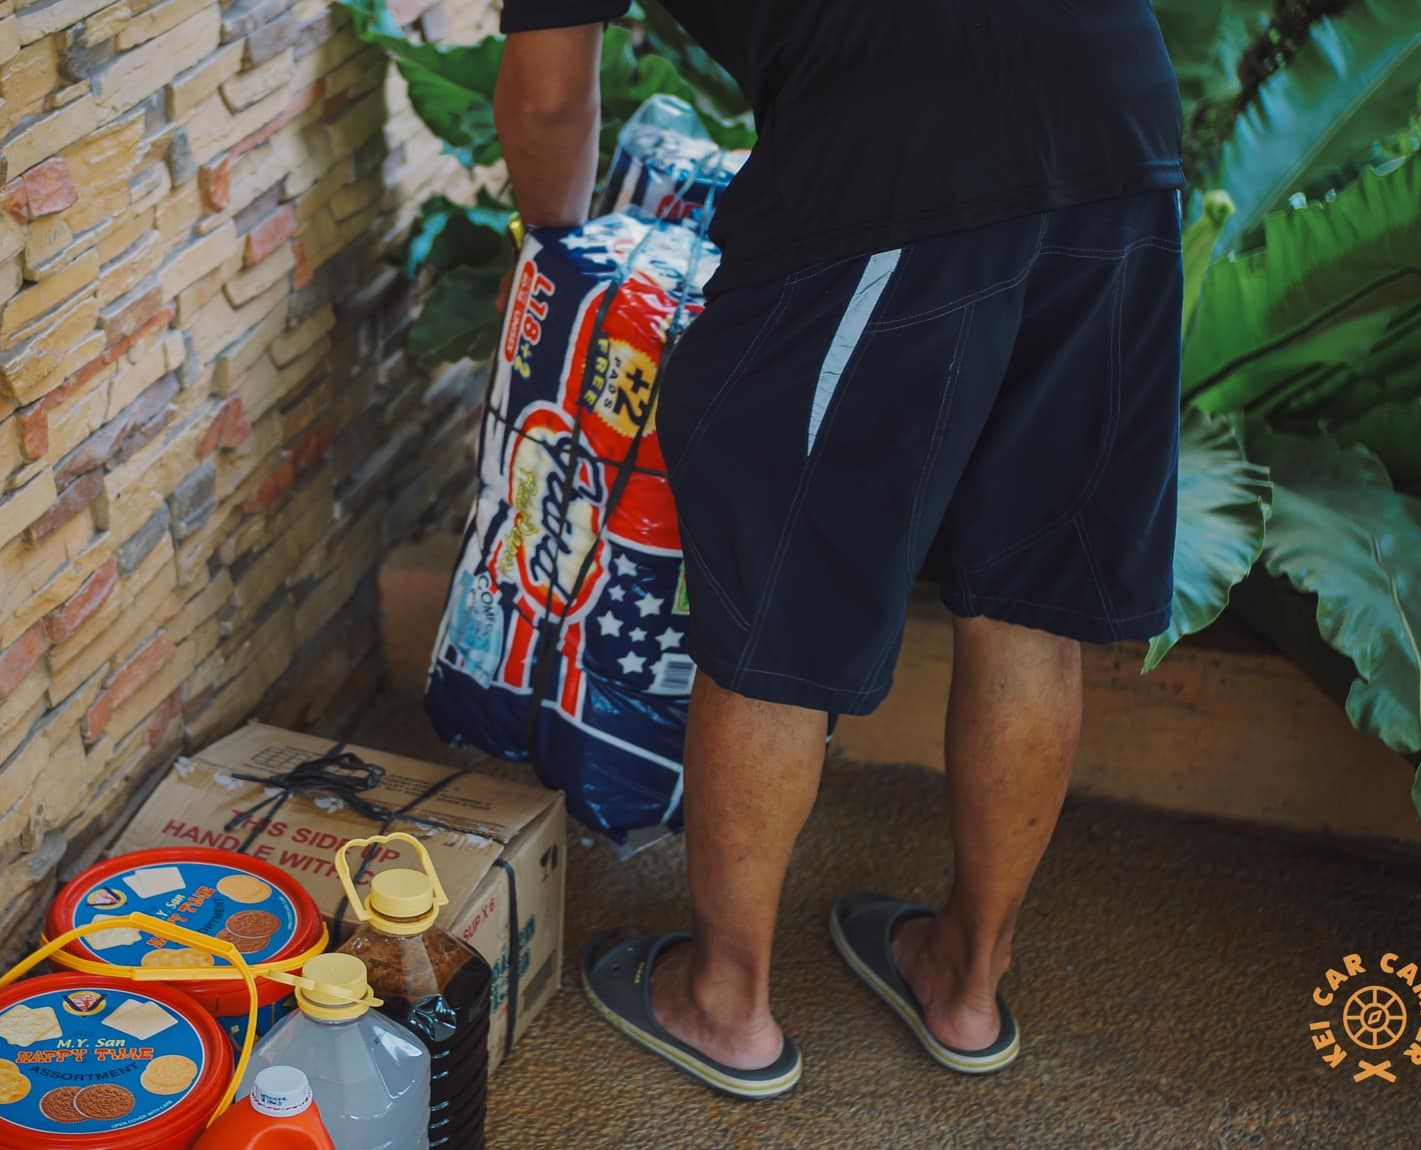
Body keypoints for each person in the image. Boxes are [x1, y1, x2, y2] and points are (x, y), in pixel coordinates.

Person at [492, 1, 1184, 1095]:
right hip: (1121, 128)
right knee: (1028, 596)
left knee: (779, 588)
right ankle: (965, 979)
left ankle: (723, 1002)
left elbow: (543, 98)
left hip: (913, 153)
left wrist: (548, 255)